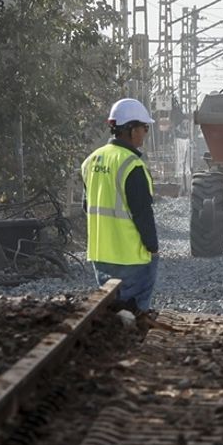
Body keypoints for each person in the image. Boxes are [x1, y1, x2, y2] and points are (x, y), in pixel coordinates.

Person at [81, 97, 160, 324]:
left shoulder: (91, 160)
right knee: (132, 312)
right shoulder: (131, 165)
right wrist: (153, 248)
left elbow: (88, 206)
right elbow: (143, 214)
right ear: (131, 129)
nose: (145, 133)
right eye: (144, 128)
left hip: (100, 254)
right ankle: (132, 338)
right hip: (130, 257)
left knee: (110, 309)